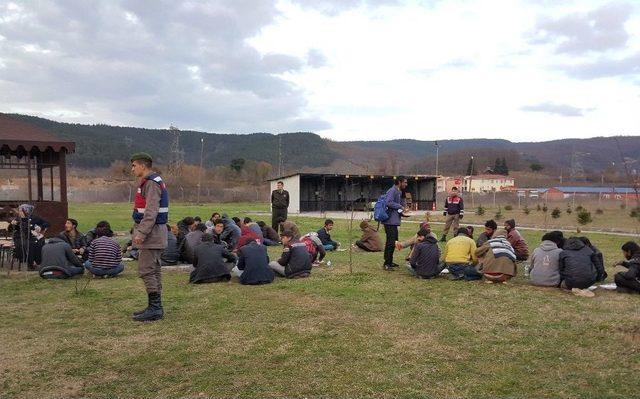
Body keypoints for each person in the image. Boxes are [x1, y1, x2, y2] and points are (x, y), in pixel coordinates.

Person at [130, 152, 169, 322]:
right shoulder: (153, 181)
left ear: (143, 166)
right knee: (154, 270)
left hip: (151, 234)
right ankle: (154, 306)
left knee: (146, 270)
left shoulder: (151, 183)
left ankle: (155, 308)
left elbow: (151, 211)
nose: (132, 169)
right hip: (156, 232)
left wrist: (141, 232)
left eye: (134, 165)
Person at [9, 204, 49, 269]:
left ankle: (37, 261)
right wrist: (11, 224)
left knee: (39, 242)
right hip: (19, 237)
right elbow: (10, 230)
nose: (19, 212)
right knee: (27, 244)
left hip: (31, 237)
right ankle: (30, 263)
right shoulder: (17, 219)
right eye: (19, 211)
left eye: (21, 211)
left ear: (26, 211)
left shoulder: (34, 218)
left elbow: (47, 223)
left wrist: (40, 227)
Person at [382, 176, 408, 270]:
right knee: (390, 242)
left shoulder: (398, 191)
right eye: (404, 182)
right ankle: (386, 263)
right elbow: (388, 202)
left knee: (394, 242)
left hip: (394, 221)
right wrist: (400, 206)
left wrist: (403, 213)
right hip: (389, 222)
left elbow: (395, 208)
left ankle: (390, 261)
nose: (406, 184)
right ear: (399, 182)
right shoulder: (392, 190)